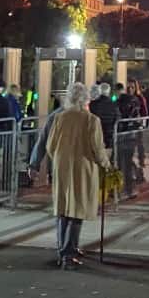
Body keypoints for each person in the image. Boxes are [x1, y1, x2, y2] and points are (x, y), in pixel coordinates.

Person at [46, 82, 111, 270]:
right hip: (83, 168)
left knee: (63, 209)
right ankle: (68, 252)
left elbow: (50, 146)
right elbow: (98, 149)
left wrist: (59, 158)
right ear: (86, 99)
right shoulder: (91, 120)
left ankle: (64, 249)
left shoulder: (60, 117)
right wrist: (106, 164)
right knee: (77, 210)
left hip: (62, 167)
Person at [88, 82, 119, 154]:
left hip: (96, 135)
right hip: (110, 135)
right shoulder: (114, 104)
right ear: (108, 91)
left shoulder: (93, 104)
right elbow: (118, 118)